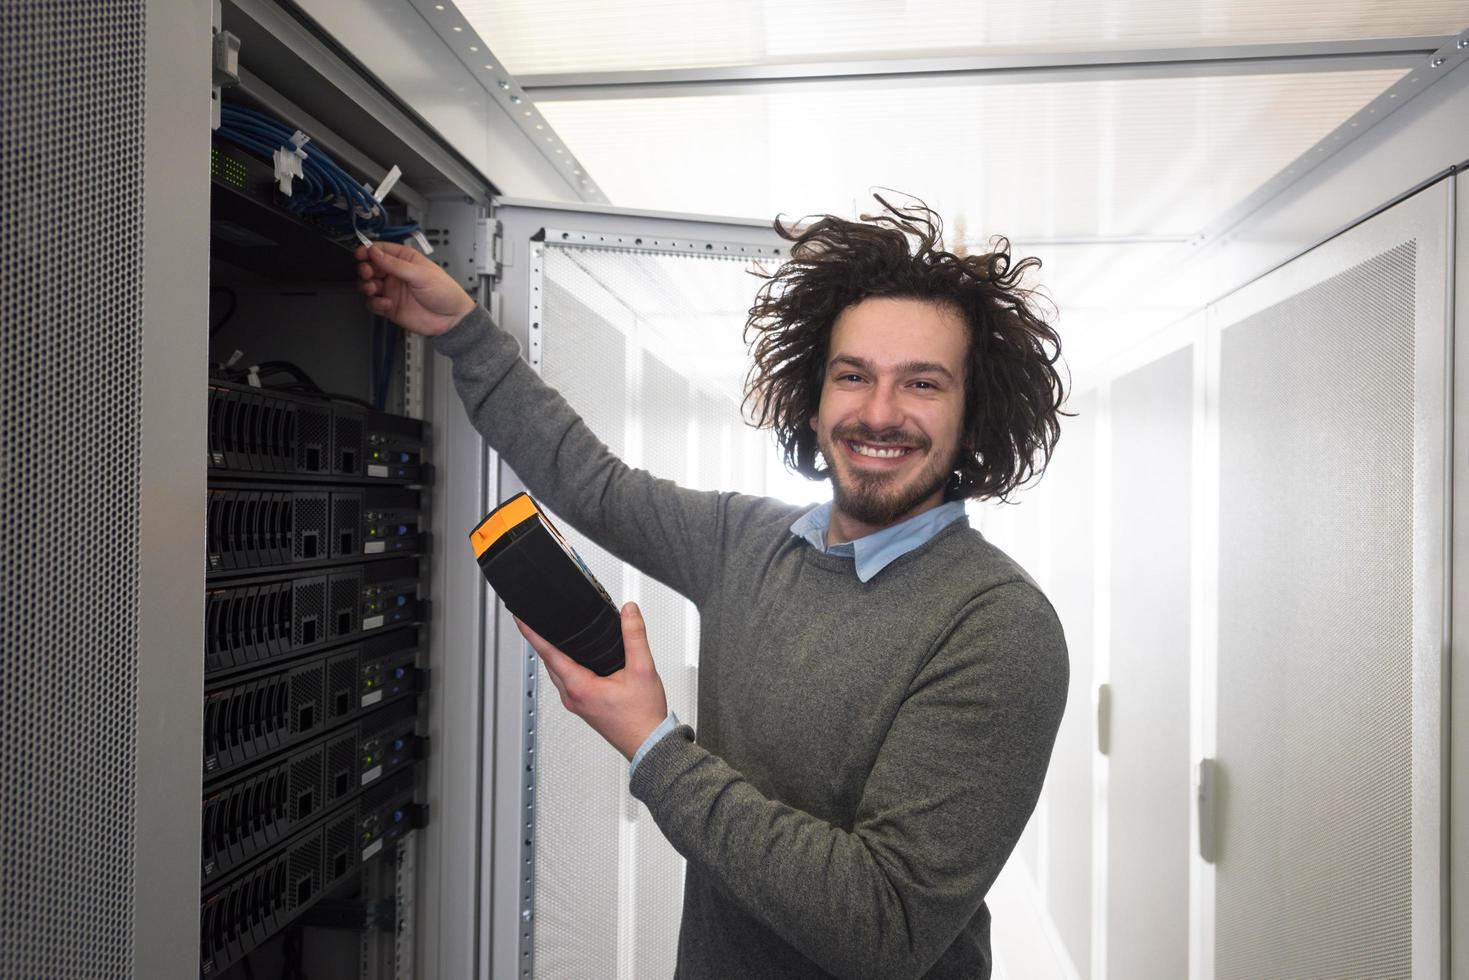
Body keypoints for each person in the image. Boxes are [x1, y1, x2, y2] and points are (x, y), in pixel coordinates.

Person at [355, 196, 1070, 980]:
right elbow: (595, 485)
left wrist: (654, 747)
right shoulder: (747, 541)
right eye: (852, 375)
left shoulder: (996, 627)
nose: (878, 412)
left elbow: (883, 926)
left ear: (973, 417)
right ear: (813, 393)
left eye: (923, 384)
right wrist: (463, 332)